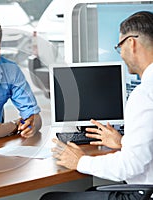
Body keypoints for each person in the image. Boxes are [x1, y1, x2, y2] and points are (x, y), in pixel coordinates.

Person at [40, 11, 153, 200]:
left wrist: (80, 161)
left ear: (131, 43)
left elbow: (130, 166)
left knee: (49, 198)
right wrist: (123, 142)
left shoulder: (144, 95)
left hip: (142, 194)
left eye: (119, 46)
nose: (121, 54)